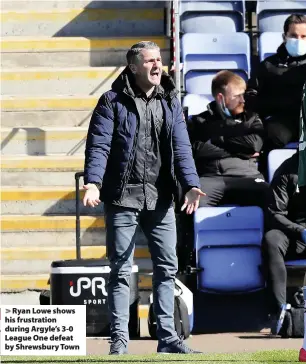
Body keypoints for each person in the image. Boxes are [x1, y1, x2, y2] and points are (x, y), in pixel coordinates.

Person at [82, 41, 205, 355]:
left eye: (158, 59)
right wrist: (93, 182)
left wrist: (190, 183)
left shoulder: (170, 100)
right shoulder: (111, 101)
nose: (156, 65)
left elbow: (182, 148)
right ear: (133, 67)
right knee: (120, 269)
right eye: (149, 61)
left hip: (161, 198)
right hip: (123, 197)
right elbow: (99, 147)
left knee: (167, 267)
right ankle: (120, 341)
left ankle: (167, 338)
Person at [188, 70, 269, 209]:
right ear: (221, 98)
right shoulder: (199, 121)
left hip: (247, 176)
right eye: (237, 96)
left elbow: (254, 145)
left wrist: (215, 140)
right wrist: (240, 150)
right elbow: (197, 149)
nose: (243, 100)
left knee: (269, 196)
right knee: (194, 202)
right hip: (211, 177)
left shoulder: (252, 118)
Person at [262, 151, 306, 336]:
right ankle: (279, 312)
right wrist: (300, 230)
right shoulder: (288, 170)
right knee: (272, 239)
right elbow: (275, 213)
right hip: (294, 232)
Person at [247, 14, 306, 150]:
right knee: (271, 137)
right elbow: (251, 95)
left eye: (304, 37)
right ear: (284, 37)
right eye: (293, 36)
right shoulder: (268, 66)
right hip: (281, 121)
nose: (299, 40)